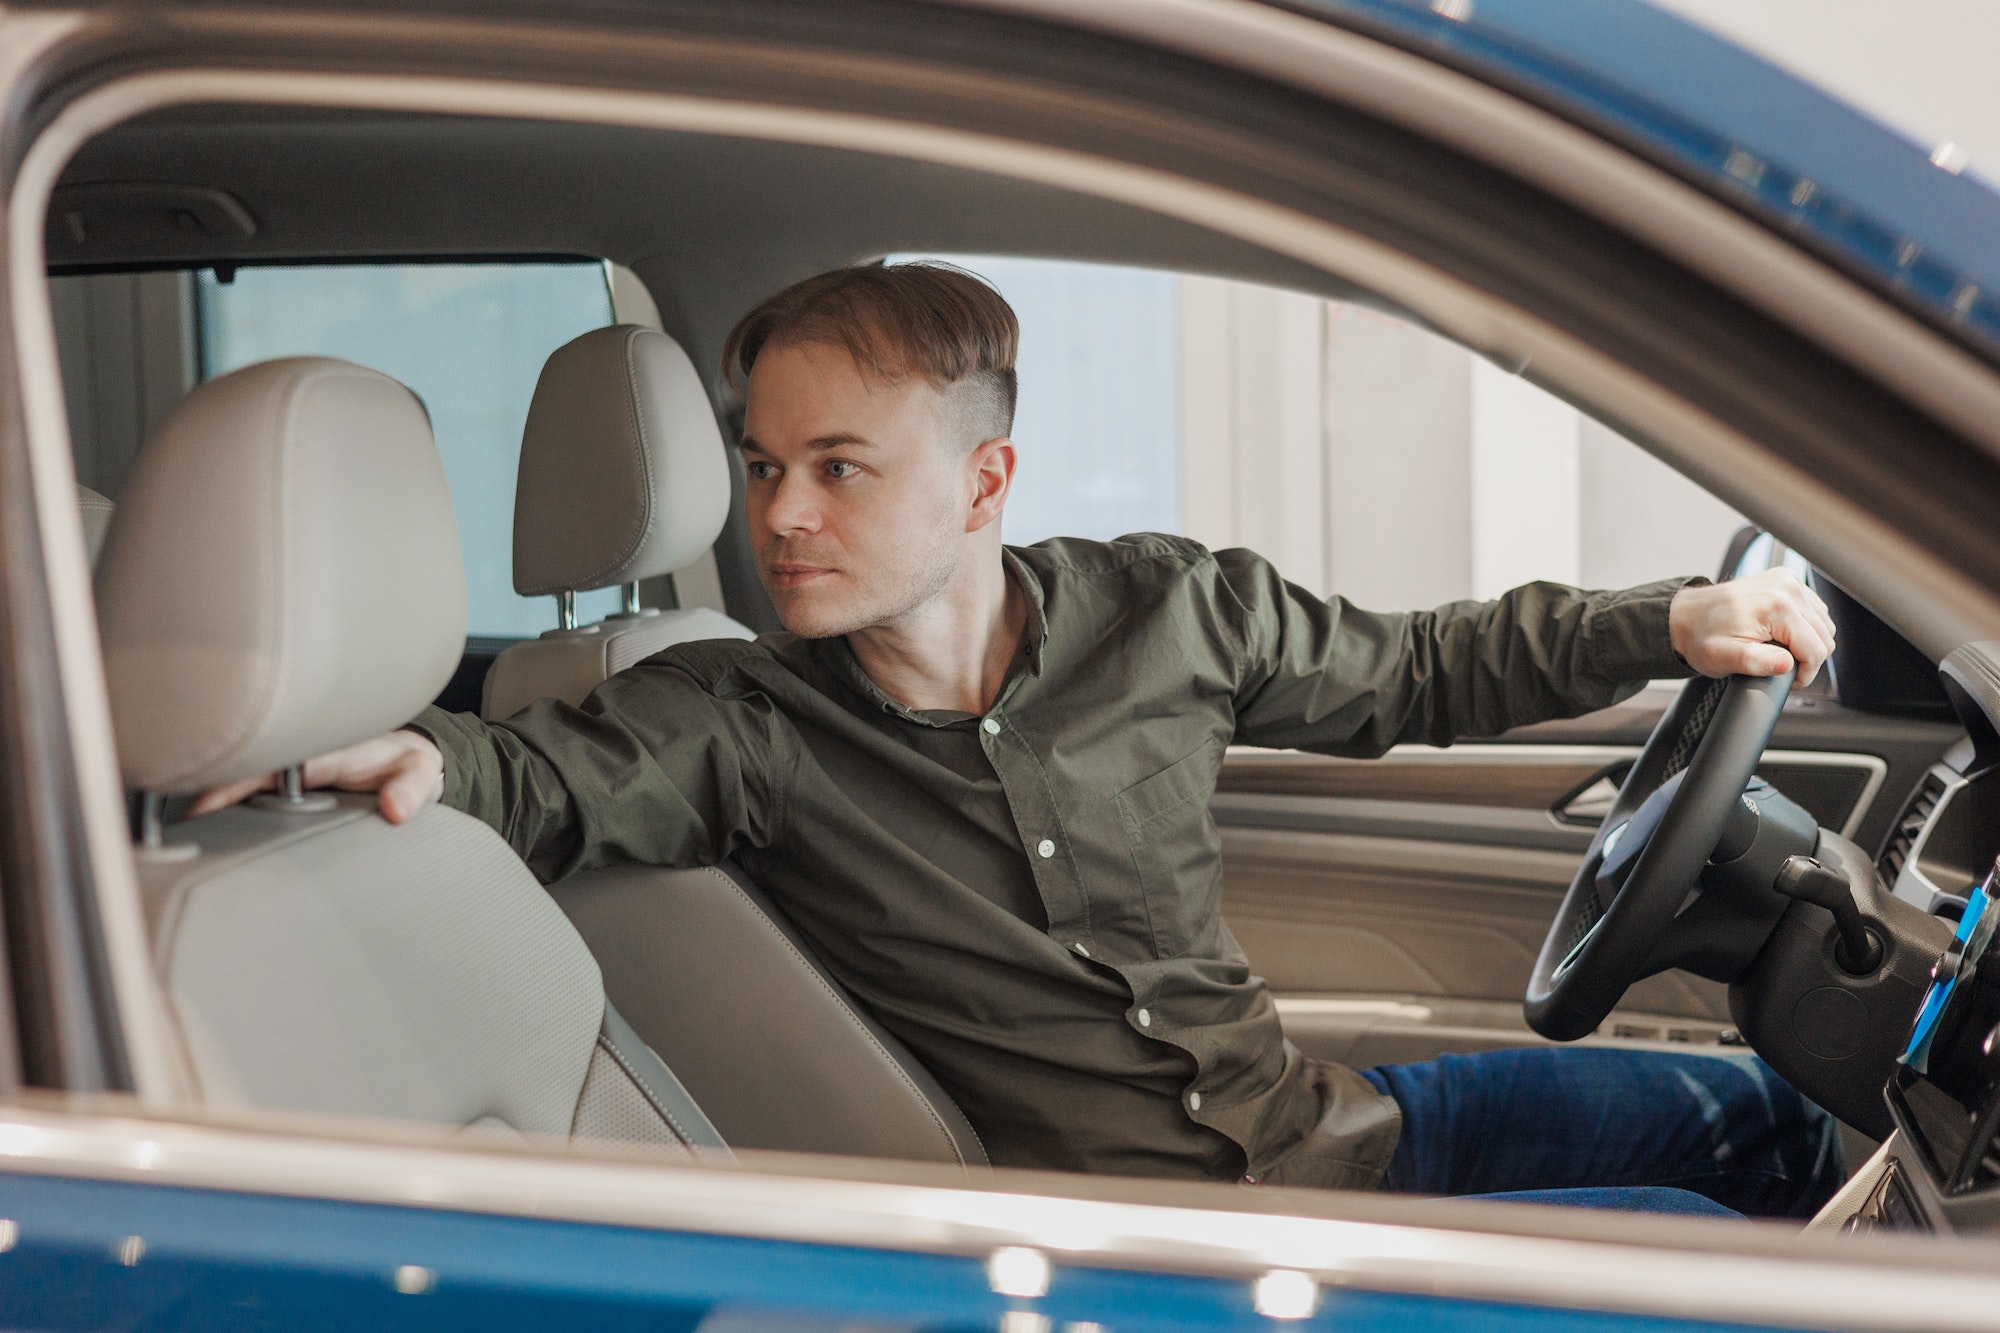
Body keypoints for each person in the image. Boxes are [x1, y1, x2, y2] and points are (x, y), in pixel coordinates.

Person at [196, 262, 1844, 1217]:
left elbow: (1415, 669)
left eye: (838, 466)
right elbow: (547, 778)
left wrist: (1665, 621)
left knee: (1770, 1121)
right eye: (761, 465)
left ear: (985, 483)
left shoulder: (1166, 611)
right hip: (1194, 1252)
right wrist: (420, 756)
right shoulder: (738, 721)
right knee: (1709, 1254)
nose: (781, 514)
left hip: (1340, 1132)